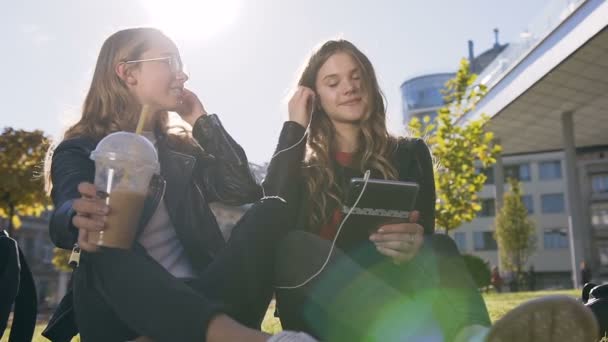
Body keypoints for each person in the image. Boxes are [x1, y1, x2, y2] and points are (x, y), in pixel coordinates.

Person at [272, 39, 599, 342]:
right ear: (313, 97)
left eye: (357, 77)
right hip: (323, 313)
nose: (349, 87)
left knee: (437, 245)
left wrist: (413, 242)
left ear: (370, 85)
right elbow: (267, 218)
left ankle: (477, 337)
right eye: (333, 82)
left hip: (393, 295)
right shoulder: (301, 170)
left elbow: (423, 235)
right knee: (295, 246)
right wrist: (294, 128)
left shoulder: (409, 154)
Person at [42, 27, 315, 342]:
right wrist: (76, 215)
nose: (182, 75)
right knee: (102, 232)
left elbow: (243, 190)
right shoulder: (80, 148)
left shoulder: (180, 151)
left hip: (204, 293)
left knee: (271, 210)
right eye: (169, 61)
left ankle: (178, 334)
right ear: (128, 72)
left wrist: (200, 120)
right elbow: (66, 211)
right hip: (124, 310)